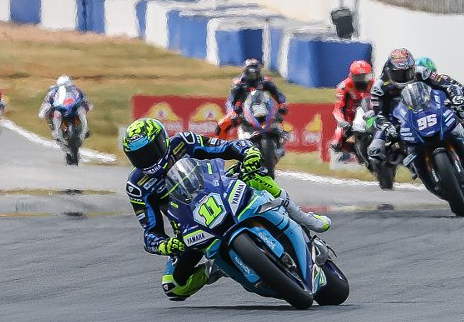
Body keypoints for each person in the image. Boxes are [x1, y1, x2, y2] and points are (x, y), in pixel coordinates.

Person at [122, 118, 331, 302]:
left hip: (221, 190)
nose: (145, 160)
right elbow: (150, 231)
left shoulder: (183, 142)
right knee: (173, 287)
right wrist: (165, 245)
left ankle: (303, 218)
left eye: (149, 152)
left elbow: (223, 147)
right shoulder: (137, 185)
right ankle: (218, 267)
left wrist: (247, 152)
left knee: (256, 176)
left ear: (162, 141)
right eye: (138, 156)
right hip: (190, 226)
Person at [368, 48, 464, 160]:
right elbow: (378, 114)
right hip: (399, 118)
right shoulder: (379, 87)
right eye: (398, 74)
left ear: (413, 68)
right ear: (389, 71)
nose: (403, 77)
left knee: (462, 112)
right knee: (377, 146)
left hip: (427, 109)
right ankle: (389, 162)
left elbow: (448, 84)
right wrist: (387, 126)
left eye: (407, 72)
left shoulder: (422, 72)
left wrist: (458, 98)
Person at [330, 60, 373, 158]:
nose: (362, 80)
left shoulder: (375, 84)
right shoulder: (344, 86)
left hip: (370, 115)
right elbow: (337, 108)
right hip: (350, 117)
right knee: (336, 142)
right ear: (352, 75)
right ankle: (339, 156)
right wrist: (342, 122)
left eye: (365, 76)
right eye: (359, 77)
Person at [38, 75, 92, 145]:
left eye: (67, 86)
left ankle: (84, 131)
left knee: (82, 113)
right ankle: (56, 133)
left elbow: (83, 97)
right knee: (55, 116)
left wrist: (87, 104)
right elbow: (47, 101)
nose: (66, 88)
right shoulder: (53, 91)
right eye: (62, 85)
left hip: (73, 107)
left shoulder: (75, 89)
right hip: (60, 108)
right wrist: (43, 110)